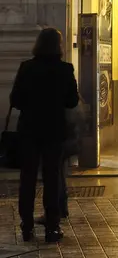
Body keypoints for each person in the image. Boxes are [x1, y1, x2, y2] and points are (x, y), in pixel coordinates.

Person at [10, 28, 79, 243]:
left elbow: (16, 100)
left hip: (29, 131)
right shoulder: (65, 69)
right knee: (51, 178)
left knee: (27, 178)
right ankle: (52, 226)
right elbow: (72, 101)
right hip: (54, 131)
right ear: (58, 45)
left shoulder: (27, 68)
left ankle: (27, 226)